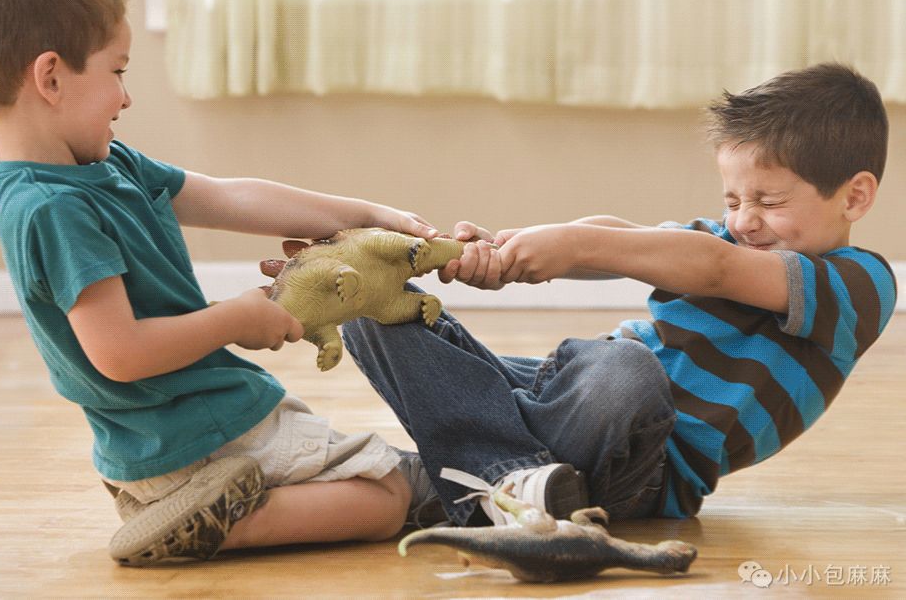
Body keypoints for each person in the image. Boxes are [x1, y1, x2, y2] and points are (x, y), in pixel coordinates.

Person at [0, 0, 443, 566]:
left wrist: (363, 214)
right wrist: (238, 318)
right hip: (194, 432)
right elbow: (119, 354)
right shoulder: (51, 208)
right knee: (387, 493)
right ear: (50, 77)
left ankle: (174, 505)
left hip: (157, 444)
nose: (125, 98)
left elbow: (231, 197)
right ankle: (220, 522)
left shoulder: (106, 166)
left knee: (380, 468)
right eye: (117, 72)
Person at [343, 62, 897, 526]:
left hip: (643, 463)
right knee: (371, 301)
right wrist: (516, 247)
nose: (745, 221)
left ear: (854, 197)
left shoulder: (859, 284)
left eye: (769, 202)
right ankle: (509, 484)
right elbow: (634, 237)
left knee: (626, 371)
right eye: (732, 200)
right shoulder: (727, 237)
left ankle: (470, 474)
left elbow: (713, 268)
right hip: (561, 405)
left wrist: (577, 245)